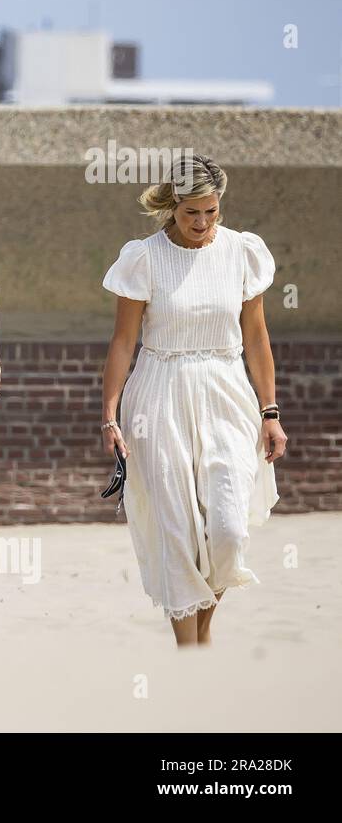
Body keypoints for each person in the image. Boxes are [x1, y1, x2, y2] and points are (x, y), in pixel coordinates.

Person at [101, 153, 284, 646]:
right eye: (191, 213)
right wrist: (109, 415)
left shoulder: (242, 252)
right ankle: (190, 653)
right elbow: (123, 341)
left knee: (227, 528)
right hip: (159, 393)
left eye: (211, 211)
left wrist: (270, 412)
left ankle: (201, 633)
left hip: (227, 389)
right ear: (173, 207)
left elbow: (258, 338)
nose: (202, 223)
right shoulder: (143, 257)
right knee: (176, 530)